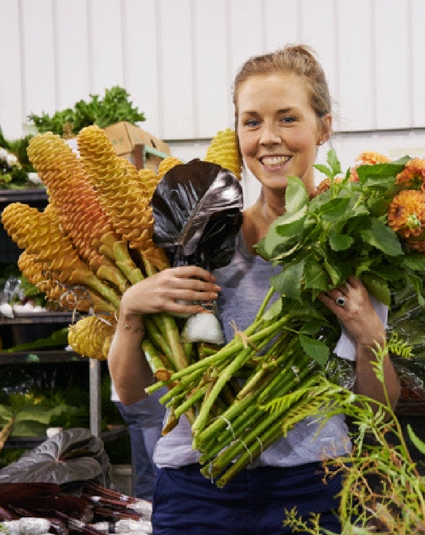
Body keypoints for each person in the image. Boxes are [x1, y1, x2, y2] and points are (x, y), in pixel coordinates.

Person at [108, 44, 400, 534]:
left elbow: (378, 408)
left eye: (288, 118)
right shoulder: (195, 240)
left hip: (313, 486)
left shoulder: (354, 246)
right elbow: (132, 391)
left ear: (323, 128)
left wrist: (370, 335)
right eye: (252, 121)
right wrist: (130, 312)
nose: (268, 138)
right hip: (196, 490)